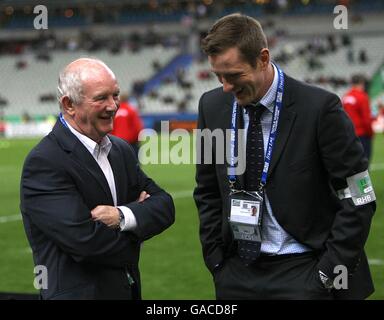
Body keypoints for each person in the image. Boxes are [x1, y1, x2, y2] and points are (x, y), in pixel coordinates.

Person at [193, 14, 376, 300]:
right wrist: (216, 259)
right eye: (218, 76)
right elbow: (206, 190)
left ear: (263, 58)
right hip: (237, 273)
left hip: (304, 269)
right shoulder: (211, 106)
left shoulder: (320, 109)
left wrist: (327, 272)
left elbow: (359, 195)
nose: (226, 86)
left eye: (234, 75)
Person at [20, 58, 175, 300]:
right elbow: (86, 243)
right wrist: (139, 228)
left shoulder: (121, 150)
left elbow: (165, 205)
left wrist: (122, 217)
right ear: (69, 104)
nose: (113, 106)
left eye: (116, 95)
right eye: (102, 98)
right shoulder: (45, 162)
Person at [342, 74, 374, 162]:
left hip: (348, 134)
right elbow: (366, 119)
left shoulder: (345, 97)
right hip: (362, 134)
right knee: (365, 163)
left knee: (353, 163)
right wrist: (370, 133)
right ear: (362, 83)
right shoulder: (362, 96)